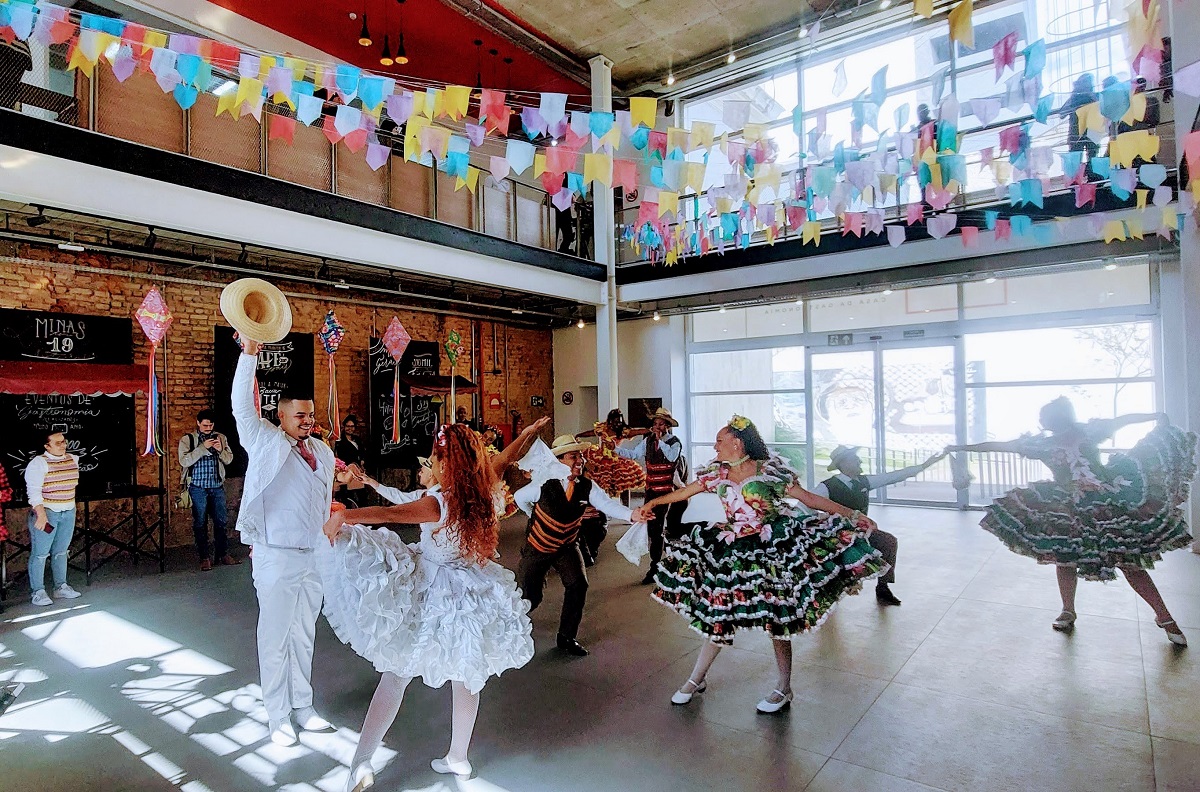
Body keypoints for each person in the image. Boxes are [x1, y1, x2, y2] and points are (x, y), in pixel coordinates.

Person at [319, 418, 548, 792]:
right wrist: (527, 433)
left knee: (395, 675)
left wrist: (344, 515)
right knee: (467, 675)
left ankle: (361, 762)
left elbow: (389, 514)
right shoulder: (485, 486)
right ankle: (458, 757)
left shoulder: (438, 502)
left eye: (435, 459)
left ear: (448, 464)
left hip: (432, 586)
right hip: (471, 587)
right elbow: (506, 458)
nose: (431, 464)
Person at [638, 416, 884, 713]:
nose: (715, 446)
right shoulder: (717, 473)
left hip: (772, 549)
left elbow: (809, 499)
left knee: (777, 619)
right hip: (730, 548)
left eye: (719, 440)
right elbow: (684, 492)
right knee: (720, 612)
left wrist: (853, 514)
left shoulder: (770, 472)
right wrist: (652, 503)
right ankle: (696, 679)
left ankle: (784, 688)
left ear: (736, 442)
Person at [946, 397, 1195, 645]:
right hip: (1068, 505)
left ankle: (1165, 617)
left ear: (1060, 416)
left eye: (1045, 416)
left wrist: (1154, 416)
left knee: (1129, 562)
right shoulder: (1042, 444)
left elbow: (1123, 420)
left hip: (1109, 502)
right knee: (1065, 556)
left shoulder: (1090, 431)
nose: (1042, 421)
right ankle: (1068, 610)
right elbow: (997, 445)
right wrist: (961, 448)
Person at [234, 338, 336, 746]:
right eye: (299, 415)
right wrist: (249, 356)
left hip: (315, 557)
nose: (306, 420)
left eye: (310, 414)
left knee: (303, 635)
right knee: (274, 638)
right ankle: (277, 717)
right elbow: (242, 407)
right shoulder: (264, 441)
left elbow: (323, 501)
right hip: (276, 556)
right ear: (280, 415)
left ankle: (303, 707)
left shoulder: (324, 452)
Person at [513, 434, 635, 657]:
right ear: (559, 461)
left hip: (567, 545)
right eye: (573, 457)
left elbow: (606, 504)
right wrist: (534, 516)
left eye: (580, 456)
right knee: (528, 596)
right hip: (538, 546)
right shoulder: (542, 483)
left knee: (578, 584)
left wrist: (632, 514)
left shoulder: (586, 486)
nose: (580, 461)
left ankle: (567, 637)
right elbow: (519, 497)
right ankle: (510, 632)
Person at [813, 445, 947, 606]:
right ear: (843, 463)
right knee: (832, 560)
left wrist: (925, 465)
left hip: (861, 533)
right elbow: (806, 505)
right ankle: (826, 590)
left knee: (888, 542)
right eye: (854, 458)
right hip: (836, 536)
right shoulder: (826, 486)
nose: (859, 461)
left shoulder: (863, 481)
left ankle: (883, 587)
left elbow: (893, 476)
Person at [614, 407, 689, 584]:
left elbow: (671, 458)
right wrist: (615, 449)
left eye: (661, 424)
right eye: (655, 424)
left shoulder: (674, 442)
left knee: (658, 529)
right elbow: (633, 454)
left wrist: (660, 440)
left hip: (666, 493)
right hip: (650, 490)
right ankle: (662, 561)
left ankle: (657, 566)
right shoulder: (647, 442)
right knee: (652, 529)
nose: (657, 427)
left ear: (668, 426)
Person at [23, 431, 83, 607]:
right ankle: (38, 591)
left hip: (68, 511)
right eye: (57, 443)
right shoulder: (38, 463)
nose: (63, 445)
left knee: (61, 551)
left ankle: (61, 586)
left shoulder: (73, 459)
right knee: (40, 553)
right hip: (48, 512)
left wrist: (71, 508)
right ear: (46, 446)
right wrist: (41, 515)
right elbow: (33, 492)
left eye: (64, 442)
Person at [178, 409, 238, 571]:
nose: (208, 428)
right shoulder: (188, 440)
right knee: (200, 523)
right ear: (198, 423)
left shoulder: (221, 438)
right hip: (197, 487)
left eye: (210, 425)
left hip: (217, 486)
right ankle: (204, 557)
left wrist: (220, 450)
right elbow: (184, 461)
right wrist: (203, 448)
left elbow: (229, 459)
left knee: (221, 521)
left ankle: (222, 554)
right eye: (205, 425)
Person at [576, 408, 646, 500]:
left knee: (623, 482)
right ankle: (599, 502)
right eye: (614, 421)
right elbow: (591, 433)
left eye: (619, 422)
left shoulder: (622, 431)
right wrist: (579, 435)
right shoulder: (603, 428)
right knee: (599, 481)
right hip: (600, 457)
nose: (616, 424)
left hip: (615, 458)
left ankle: (625, 506)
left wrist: (650, 430)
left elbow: (638, 431)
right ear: (609, 421)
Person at [1059, 73, 1099, 178]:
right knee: (1075, 158)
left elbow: (1103, 107)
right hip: (1077, 132)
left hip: (1091, 130)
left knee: (1093, 156)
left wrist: (1090, 94)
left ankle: (1093, 178)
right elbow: (1061, 113)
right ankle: (1075, 181)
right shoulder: (1074, 98)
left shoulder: (1094, 95)